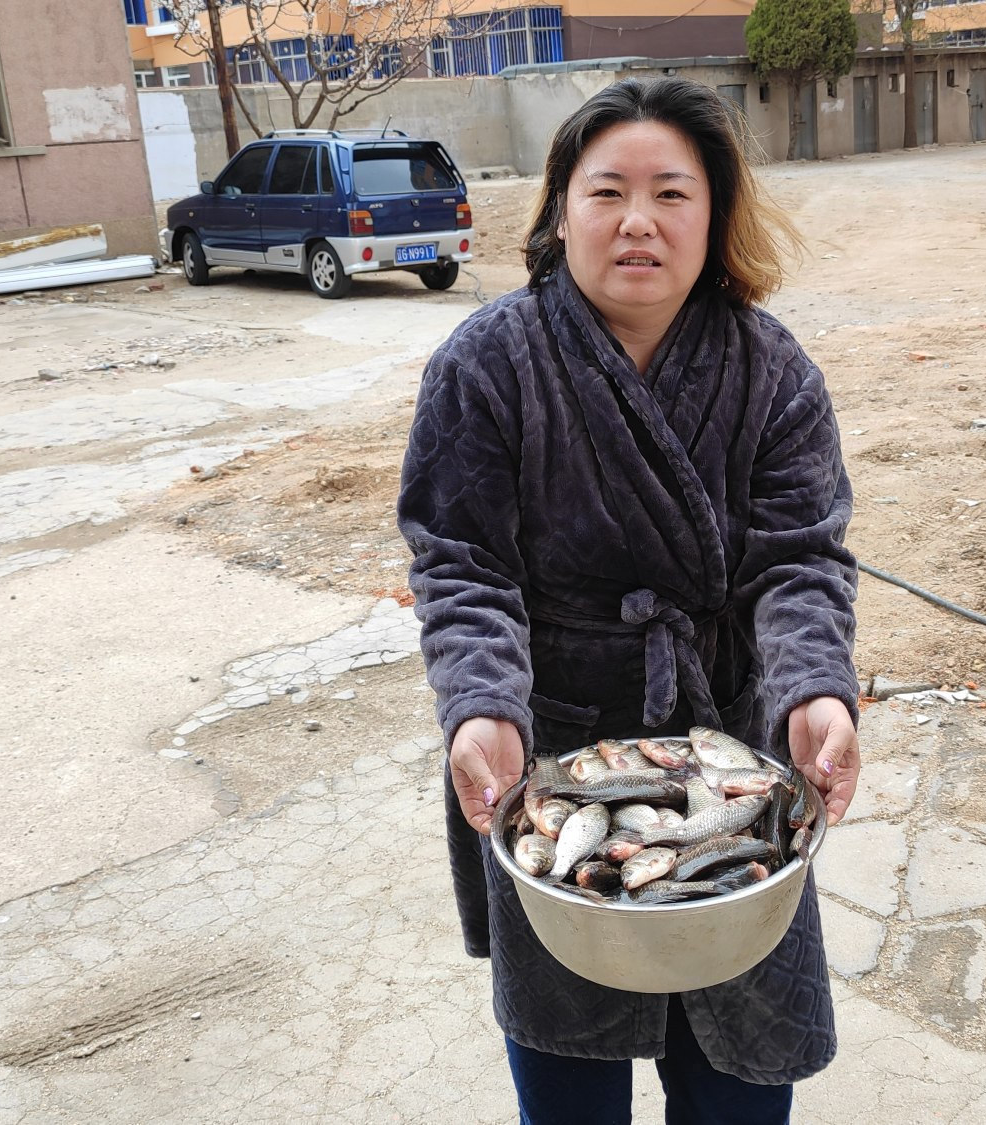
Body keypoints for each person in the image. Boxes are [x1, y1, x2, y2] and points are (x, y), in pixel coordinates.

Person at [398, 76, 861, 1124]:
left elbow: (798, 563)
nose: (638, 221)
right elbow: (461, 564)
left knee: (741, 1086)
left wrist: (812, 691)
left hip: (730, 771)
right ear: (561, 210)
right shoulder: (487, 365)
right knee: (568, 1087)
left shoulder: (770, 371)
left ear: (717, 212)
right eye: (607, 192)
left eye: (672, 193)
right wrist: (480, 709)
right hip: (547, 759)